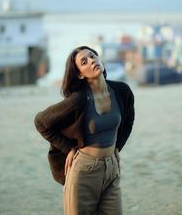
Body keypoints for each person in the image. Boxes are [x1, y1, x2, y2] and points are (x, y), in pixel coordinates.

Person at [34, 45, 135, 215]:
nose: (92, 60)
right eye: (84, 61)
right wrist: (68, 148)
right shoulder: (79, 100)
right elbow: (41, 122)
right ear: (80, 74)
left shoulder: (121, 91)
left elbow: (128, 121)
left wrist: (118, 146)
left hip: (112, 170)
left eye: (93, 56)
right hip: (84, 171)